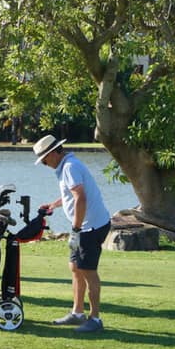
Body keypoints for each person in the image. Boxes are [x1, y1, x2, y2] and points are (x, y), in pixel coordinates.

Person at [33, 134, 112, 333]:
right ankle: (78, 313)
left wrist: (76, 230)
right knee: (75, 267)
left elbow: (81, 198)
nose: (44, 164)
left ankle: (95, 319)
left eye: (44, 159)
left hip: (90, 227)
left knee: (88, 271)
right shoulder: (66, 166)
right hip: (84, 225)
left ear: (52, 153)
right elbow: (70, 194)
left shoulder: (69, 167)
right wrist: (54, 204)